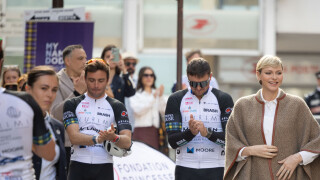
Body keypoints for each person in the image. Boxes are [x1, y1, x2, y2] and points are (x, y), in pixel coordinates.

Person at [224, 55, 320, 180]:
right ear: (258, 75)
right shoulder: (242, 105)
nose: (274, 77)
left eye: (278, 73)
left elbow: (317, 140)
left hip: (289, 176)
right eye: (268, 73)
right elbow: (231, 142)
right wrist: (250, 150)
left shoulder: (297, 105)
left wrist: (296, 158)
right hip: (253, 174)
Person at [165, 58, 234, 180]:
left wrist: (207, 133)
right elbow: (172, 142)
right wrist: (190, 133)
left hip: (216, 167)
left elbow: (231, 140)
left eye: (202, 83)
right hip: (185, 167)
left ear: (210, 77)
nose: (197, 88)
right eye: (193, 83)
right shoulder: (175, 99)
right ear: (187, 78)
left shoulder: (223, 99)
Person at [63, 58, 132, 180]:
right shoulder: (72, 104)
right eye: (91, 80)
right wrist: (98, 138)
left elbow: (127, 141)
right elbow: (74, 137)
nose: (96, 85)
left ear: (107, 80)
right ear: (85, 79)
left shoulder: (117, 106)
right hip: (78, 165)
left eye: (101, 81)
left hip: (104, 166)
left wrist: (113, 137)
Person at [0, 40, 56, 179]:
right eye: (44, 88)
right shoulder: (25, 101)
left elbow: (49, 154)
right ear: (1, 63)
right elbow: (49, 153)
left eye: (54, 90)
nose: (49, 94)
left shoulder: (27, 102)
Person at [50, 44, 87, 171]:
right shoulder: (56, 81)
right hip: (67, 143)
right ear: (68, 61)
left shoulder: (89, 80)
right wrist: (76, 93)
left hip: (89, 143)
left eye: (85, 58)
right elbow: (56, 113)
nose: (85, 62)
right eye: (80, 58)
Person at [129, 67, 166, 149]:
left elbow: (164, 111)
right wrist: (153, 98)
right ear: (141, 77)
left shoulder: (156, 92)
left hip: (155, 132)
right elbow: (138, 111)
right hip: (141, 130)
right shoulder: (136, 94)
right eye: (146, 75)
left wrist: (160, 97)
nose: (149, 77)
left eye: (151, 75)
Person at [123, 52, 139, 131]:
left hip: (136, 126)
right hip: (121, 125)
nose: (131, 66)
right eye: (128, 63)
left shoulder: (140, 81)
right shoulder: (119, 81)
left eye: (134, 64)